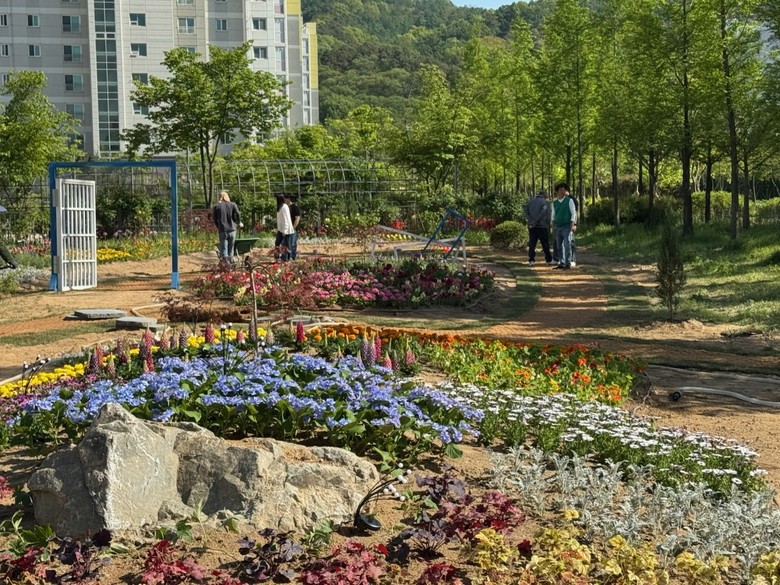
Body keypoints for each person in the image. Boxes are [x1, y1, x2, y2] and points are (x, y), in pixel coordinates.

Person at [524, 189, 554, 267]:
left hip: (532, 226)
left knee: (532, 243)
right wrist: (538, 221)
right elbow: (545, 213)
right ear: (544, 195)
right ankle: (548, 259)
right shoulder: (546, 203)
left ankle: (531, 260)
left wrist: (531, 221)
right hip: (542, 226)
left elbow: (526, 212)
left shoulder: (530, 202)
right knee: (545, 243)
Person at [551, 182, 577, 270]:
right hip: (558, 226)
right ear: (557, 191)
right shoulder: (554, 203)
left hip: (567, 226)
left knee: (567, 244)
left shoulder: (569, 201)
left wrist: (572, 225)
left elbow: (573, 213)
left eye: (564, 189)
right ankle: (561, 262)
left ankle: (568, 263)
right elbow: (553, 216)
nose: (563, 191)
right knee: (559, 245)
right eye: (561, 190)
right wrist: (553, 227)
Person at [212, 191, 242, 264]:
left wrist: (218, 226)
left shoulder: (216, 206)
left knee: (224, 249)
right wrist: (238, 222)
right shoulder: (233, 204)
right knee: (231, 249)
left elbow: (214, 219)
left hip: (222, 230)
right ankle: (231, 264)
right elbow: (238, 213)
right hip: (232, 230)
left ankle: (226, 265)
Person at [275, 194, 295, 261]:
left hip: (286, 230)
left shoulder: (284, 207)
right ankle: (278, 257)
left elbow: (286, 219)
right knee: (277, 243)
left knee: (286, 245)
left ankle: (287, 258)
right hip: (281, 229)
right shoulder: (280, 207)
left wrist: (285, 231)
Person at [284, 195, 301, 260]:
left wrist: (293, 228)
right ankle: (287, 257)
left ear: (289, 199)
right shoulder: (285, 207)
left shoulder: (294, 207)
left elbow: (297, 218)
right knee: (286, 244)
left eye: (285, 199)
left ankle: (292, 257)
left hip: (292, 229)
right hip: (286, 229)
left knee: (292, 244)